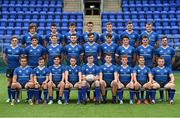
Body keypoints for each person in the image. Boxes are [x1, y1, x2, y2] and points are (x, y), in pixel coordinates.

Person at [3, 36, 24, 103]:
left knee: (16, 82)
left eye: (16, 40)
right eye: (13, 40)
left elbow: (21, 59)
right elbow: (4, 57)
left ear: (17, 41)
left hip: (17, 68)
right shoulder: (7, 48)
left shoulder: (20, 49)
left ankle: (17, 98)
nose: (14, 41)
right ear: (11, 41)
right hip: (9, 68)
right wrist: (8, 64)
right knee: (9, 82)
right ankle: (10, 98)